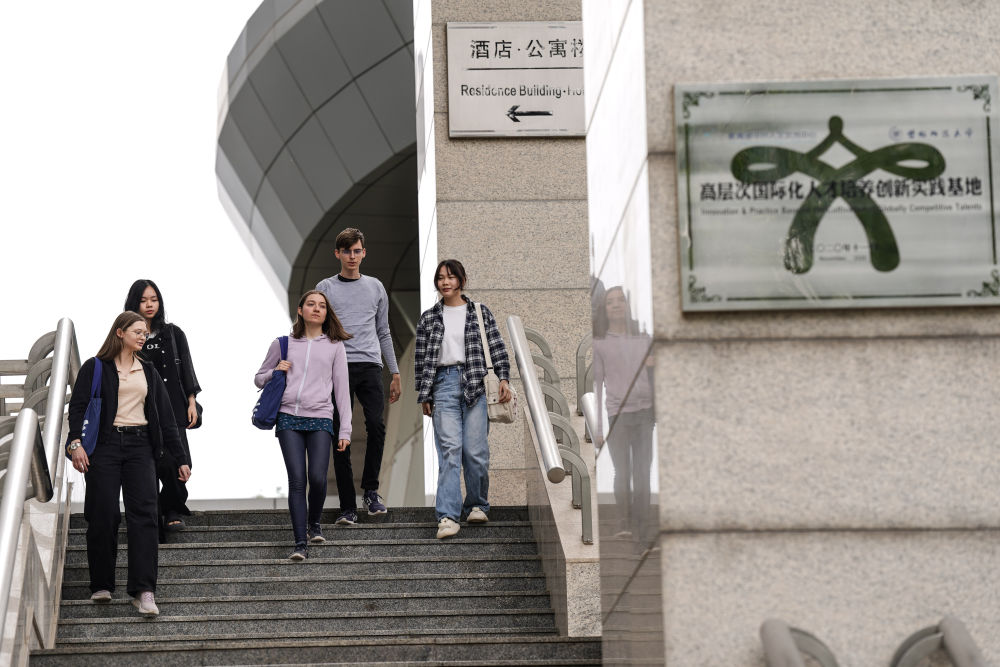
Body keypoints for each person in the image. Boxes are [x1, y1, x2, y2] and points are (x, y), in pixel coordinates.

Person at [67, 311, 191, 617]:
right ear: (120, 332)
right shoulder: (95, 367)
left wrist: (180, 458)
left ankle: (144, 591)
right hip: (104, 446)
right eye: (137, 331)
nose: (143, 337)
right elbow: (78, 409)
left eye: (145, 333)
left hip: (141, 447)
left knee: (145, 516)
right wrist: (75, 444)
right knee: (103, 513)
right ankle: (101, 584)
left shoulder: (147, 370)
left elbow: (166, 418)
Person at [414, 259, 513, 539]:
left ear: (461, 280)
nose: (445, 282)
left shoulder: (479, 312)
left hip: (475, 384)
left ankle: (477, 505)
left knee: (475, 451)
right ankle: (447, 516)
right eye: (440, 278)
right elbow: (421, 359)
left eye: (451, 277)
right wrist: (424, 393)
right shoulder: (429, 317)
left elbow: (496, 346)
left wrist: (503, 377)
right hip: (443, 385)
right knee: (449, 451)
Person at [255, 290, 353, 560]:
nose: (317, 309)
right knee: (297, 480)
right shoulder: (283, 344)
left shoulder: (335, 346)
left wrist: (345, 429)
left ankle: (314, 523)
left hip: (321, 417)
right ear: (300, 310)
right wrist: (275, 371)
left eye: (322, 305)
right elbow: (258, 378)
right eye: (311, 304)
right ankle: (300, 543)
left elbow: (342, 391)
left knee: (318, 479)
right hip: (289, 417)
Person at [316, 227, 401, 525]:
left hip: (370, 365)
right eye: (346, 251)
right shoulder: (325, 287)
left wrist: (395, 371)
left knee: (376, 425)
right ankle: (347, 506)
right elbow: (317, 330)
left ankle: (371, 491)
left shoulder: (376, 287)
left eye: (356, 251)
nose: (351, 256)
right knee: (341, 433)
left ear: (364, 253)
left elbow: (384, 331)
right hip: (337, 367)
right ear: (337, 254)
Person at [123, 279, 201, 535]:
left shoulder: (173, 333)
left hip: (175, 406)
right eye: (144, 300)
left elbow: (186, 367)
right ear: (134, 303)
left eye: (154, 300)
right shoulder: (127, 336)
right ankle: (154, 511)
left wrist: (191, 401)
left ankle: (172, 509)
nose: (149, 305)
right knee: (150, 462)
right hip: (140, 408)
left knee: (179, 460)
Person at [592, 286, 655, 544]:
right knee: (623, 471)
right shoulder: (600, 344)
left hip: (645, 413)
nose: (616, 305)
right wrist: (597, 428)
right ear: (605, 309)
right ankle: (624, 523)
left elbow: (656, 374)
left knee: (643, 474)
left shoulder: (643, 338)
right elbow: (597, 386)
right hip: (617, 414)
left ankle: (644, 527)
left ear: (628, 305)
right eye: (611, 302)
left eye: (621, 300)